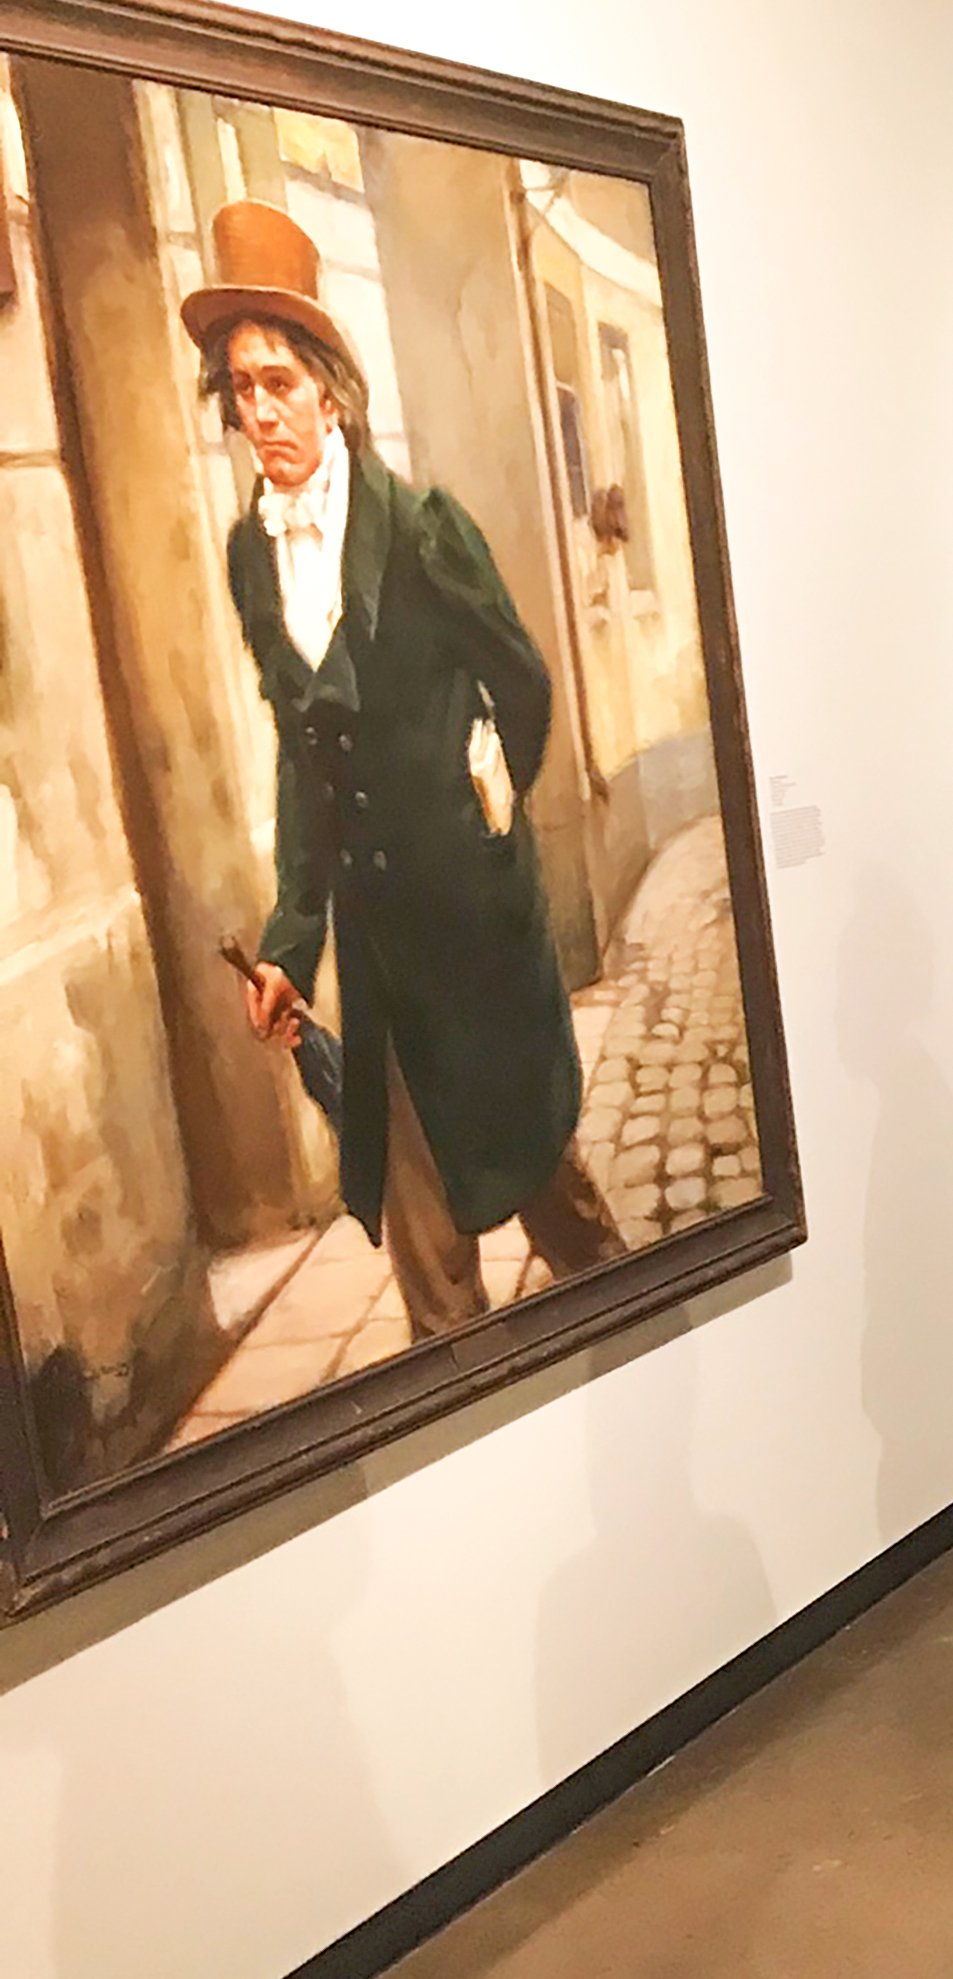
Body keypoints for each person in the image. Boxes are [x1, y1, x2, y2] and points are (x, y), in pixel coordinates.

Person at [196, 198, 625, 1338]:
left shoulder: (423, 527)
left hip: (477, 933)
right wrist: (292, 945)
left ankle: (644, 1332)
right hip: (381, 953)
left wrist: (490, 809)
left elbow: (522, 685)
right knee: (430, 1247)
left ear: (329, 389)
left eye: (279, 382)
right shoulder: (253, 559)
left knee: (549, 1192)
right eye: (241, 389)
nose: (260, 413)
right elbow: (302, 756)